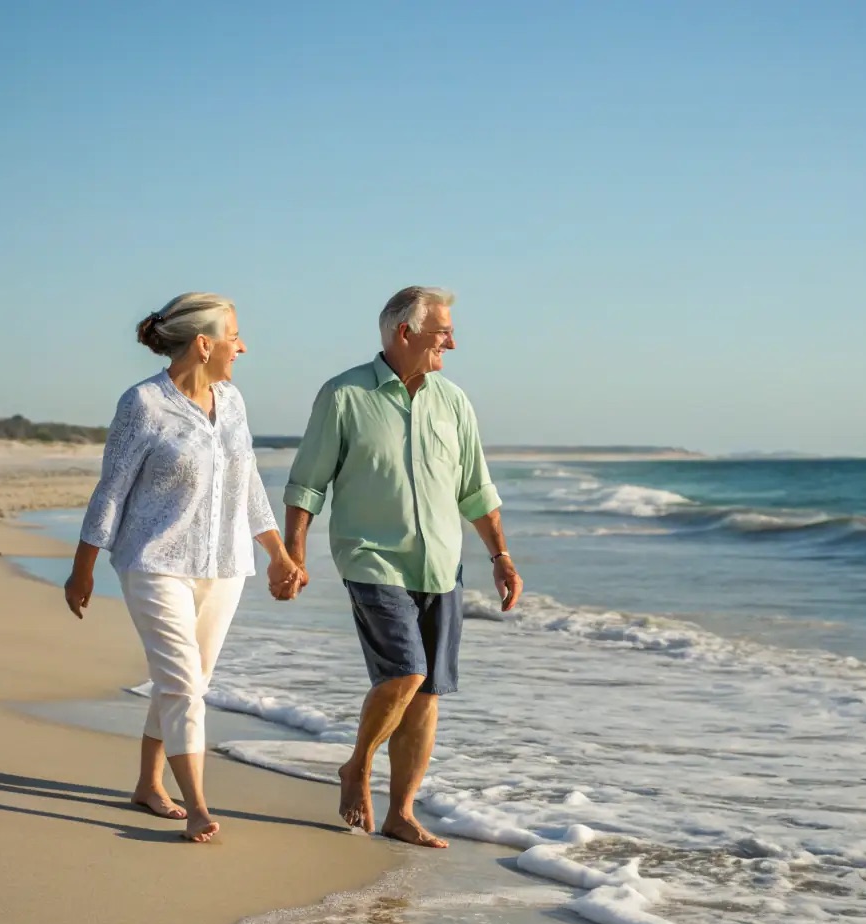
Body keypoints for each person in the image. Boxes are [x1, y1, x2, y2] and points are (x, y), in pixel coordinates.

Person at [279, 286, 522, 848]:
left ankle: (402, 813)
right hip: (372, 557)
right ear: (405, 332)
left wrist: (501, 556)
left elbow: (475, 489)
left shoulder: (453, 401)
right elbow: (307, 484)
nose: (452, 344)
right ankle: (358, 766)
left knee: (428, 693)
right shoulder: (344, 395)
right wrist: (294, 554)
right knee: (406, 672)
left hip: (441, 564)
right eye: (443, 333)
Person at [64, 292, 299, 842]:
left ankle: (149, 783)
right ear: (204, 344)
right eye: (233, 336)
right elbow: (111, 490)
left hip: (225, 565)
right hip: (155, 563)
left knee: (187, 681)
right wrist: (83, 567)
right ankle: (197, 805)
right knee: (183, 684)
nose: (242, 347)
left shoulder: (233, 401)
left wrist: (278, 553)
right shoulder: (143, 404)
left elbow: (248, 484)